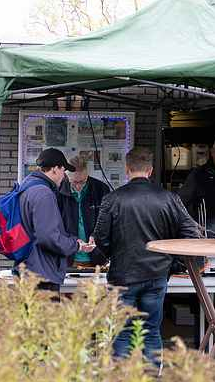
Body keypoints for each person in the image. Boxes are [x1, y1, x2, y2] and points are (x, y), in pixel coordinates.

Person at [93, 147, 200, 367]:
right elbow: (192, 233)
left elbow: (101, 239)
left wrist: (109, 255)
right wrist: (173, 263)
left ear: (127, 169)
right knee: (151, 330)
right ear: (150, 170)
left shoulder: (112, 199)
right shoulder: (169, 198)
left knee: (122, 331)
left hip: (122, 276)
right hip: (157, 274)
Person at [16, 148, 96, 293]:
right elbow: (49, 237)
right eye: (63, 170)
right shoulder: (44, 193)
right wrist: (76, 245)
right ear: (54, 169)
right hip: (42, 274)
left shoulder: (28, 185)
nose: (64, 176)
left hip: (30, 267)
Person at [59, 155, 110, 267]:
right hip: (67, 258)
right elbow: (55, 227)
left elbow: (108, 222)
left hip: (97, 257)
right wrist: (73, 241)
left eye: (82, 182)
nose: (78, 187)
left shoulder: (101, 189)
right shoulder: (57, 191)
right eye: (74, 182)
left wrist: (95, 236)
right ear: (66, 177)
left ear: (87, 175)